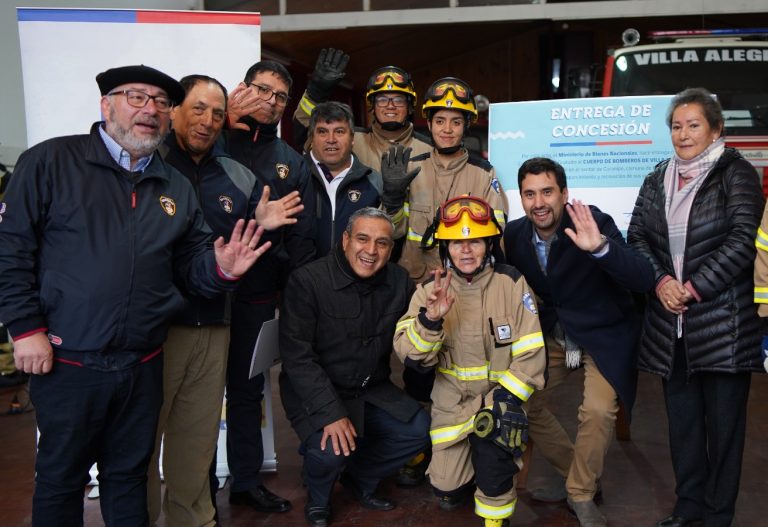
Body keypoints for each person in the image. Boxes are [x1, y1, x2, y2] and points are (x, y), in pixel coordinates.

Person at [0, 64, 269, 527]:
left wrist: (221, 270)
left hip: (142, 362)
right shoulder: (49, 162)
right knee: (61, 479)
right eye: (136, 98)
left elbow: (191, 266)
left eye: (160, 103)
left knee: (127, 478)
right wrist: (25, 329)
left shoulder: (174, 186)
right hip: (66, 361)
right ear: (107, 105)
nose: (150, 110)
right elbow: (11, 249)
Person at [146, 74, 304, 527]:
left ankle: (221, 495)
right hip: (160, 319)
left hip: (230, 306)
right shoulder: (149, 157)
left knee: (224, 410)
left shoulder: (248, 167)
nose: (208, 121)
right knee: (148, 423)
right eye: (198, 109)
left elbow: (271, 231)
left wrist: (266, 223)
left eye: (216, 114)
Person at [628, 87, 764, 527]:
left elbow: (743, 240)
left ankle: (717, 515)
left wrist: (694, 288)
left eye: (693, 125)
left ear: (716, 129)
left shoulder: (736, 174)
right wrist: (662, 281)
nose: (683, 135)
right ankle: (688, 509)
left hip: (724, 323)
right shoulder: (657, 177)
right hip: (672, 328)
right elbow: (637, 239)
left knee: (724, 431)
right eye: (676, 126)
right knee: (683, 427)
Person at [504, 157, 654, 527]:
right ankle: (578, 475)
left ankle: (581, 494)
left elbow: (642, 278)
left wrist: (600, 247)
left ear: (565, 193)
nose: (539, 202)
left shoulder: (593, 222)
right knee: (521, 401)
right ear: (521, 198)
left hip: (603, 335)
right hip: (555, 336)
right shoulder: (513, 235)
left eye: (548, 192)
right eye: (530, 194)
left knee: (599, 411)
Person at [393, 195, 546, 527]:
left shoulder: (512, 283)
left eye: (474, 241)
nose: (465, 250)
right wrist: (430, 320)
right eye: (456, 243)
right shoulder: (428, 291)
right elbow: (408, 352)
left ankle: (495, 516)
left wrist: (506, 400)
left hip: (498, 398)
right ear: (445, 248)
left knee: (495, 463)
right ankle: (462, 475)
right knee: (446, 489)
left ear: (489, 244)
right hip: (453, 403)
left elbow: (532, 352)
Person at [279, 208, 430, 527]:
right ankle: (318, 496)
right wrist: (330, 413)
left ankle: (360, 478)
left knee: (420, 430)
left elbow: (414, 333)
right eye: (362, 239)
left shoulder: (399, 281)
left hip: (370, 388)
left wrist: (434, 314)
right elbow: (298, 358)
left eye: (382, 243)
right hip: (317, 391)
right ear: (346, 239)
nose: (371, 251)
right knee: (331, 450)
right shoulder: (307, 281)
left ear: (391, 249)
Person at [222, 60, 316, 513]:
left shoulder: (290, 162)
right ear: (242, 89)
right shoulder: (209, 138)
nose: (271, 102)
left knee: (246, 392)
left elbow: (297, 242)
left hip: (257, 296)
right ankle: (197, 483)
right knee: (195, 396)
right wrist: (224, 122)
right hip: (201, 294)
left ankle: (245, 480)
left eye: (280, 97)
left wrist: (283, 286)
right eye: (262, 91)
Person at [305, 101, 383, 256]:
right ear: (312, 138)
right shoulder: (296, 175)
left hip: (357, 278)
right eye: (322, 132)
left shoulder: (373, 181)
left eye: (339, 131)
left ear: (352, 138)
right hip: (303, 277)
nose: (331, 139)